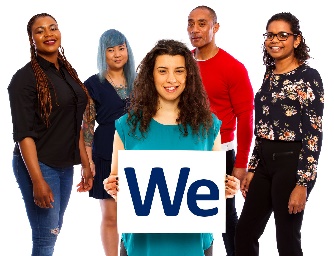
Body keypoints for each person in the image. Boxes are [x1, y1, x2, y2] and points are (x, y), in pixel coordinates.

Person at [102, 39, 240, 256]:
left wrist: (226, 190)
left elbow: (211, 188)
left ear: (189, 76)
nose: (171, 79)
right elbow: (119, 184)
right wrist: (113, 187)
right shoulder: (127, 126)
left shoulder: (209, 126)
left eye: (179, 71)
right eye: (163, 71)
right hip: (141, 245)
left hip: (194, 245)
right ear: (151, 75)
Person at [235, 12, 324, 256]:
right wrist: (252, 168)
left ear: (296, 40)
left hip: (292, 163)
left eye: (283, 35)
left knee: (286, 239)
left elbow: (313, 133)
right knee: (244, 234)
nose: (275, 40)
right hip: (264, 161)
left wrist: (302, 184)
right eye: (270, 35)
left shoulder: (309, 77)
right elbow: (262, 128)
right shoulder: (269, 75)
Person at [7, 13, 93, 256]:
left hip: (65, 165)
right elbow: (24, 134)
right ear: (32, 39)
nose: (48, 34)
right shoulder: (24, 79)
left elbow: (72, 122)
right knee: (46, 236)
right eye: (40, 30)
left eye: (52, 28)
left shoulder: (66, 72)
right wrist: (37, 180)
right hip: (39, 163)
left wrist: (85, 164)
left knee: (54, 229)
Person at [187, 5, 254, 256]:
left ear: (215, 27)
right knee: (190, 214)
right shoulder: (182, 64)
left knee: (224, 217)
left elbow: (246, 120)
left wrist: (241, 164)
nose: (195, 29)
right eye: (191, 23)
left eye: (202, 23)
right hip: (187, 150)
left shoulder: (233, 68)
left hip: (221, 153)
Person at [82, 29, 136, 256]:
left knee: (137, 213)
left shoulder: (141, 80)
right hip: (105, 153)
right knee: (111, 215)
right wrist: (88, 163)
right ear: (102, 54)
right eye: (110, 50)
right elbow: (87, 126)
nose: (117, 54)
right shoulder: (92, 84)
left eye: (121, 48)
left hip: (138, 152)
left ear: (127, 50)